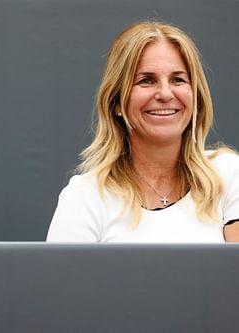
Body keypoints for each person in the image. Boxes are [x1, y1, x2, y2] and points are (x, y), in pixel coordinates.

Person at [47, 21, 239, 242]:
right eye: (146, 80)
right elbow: (62, 277)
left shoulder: (229, 175)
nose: (165, 93)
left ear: (195, 96)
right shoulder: (85, 197)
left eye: (178, 79)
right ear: (116, 102)